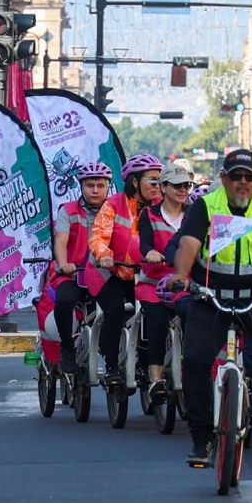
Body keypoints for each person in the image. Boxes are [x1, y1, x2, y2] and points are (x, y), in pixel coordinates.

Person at [169, 149, 252, 467]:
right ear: (224, 179)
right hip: (211, 296)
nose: (243, 183)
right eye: (236, 177)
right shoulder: (205, 205)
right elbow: (188, 244)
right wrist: (180, 275)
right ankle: (202, 440)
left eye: (249, 177)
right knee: (195, 362)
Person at [88, 155, 164, 385]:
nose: (158, 186)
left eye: (160, 181)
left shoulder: (160, 206)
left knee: (154, 314)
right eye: (153, 181)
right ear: (135, 182)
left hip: (144, 275)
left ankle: (146, 365)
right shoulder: (113, 204)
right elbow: (98, 237)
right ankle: (111, 365)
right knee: (114, 313)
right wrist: (105, 255)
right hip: (109, 273)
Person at [136, 163, 193, 402]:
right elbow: (145, 244)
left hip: (184, 283)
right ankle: (156, 379)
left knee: (196, 318)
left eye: (186, 185)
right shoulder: (148, 215)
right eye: (177, 185)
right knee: (157, 322)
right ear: (164, 187)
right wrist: (150, 253)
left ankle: (194, 373)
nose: (183, 190)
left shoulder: (193, 214)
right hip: (153, 282)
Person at [50, 163, 111, 375]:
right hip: (74, 273)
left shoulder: (115, 211)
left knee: (120, 309)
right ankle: (67, 345)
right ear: (81, 186)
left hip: (105, 275)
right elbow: (61, 240)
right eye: (90, 185)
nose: (95, 190)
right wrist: (63, 263)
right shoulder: (68, 210)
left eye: (100, 185)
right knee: (64, 300)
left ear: (108, 187)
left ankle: (111, 349)